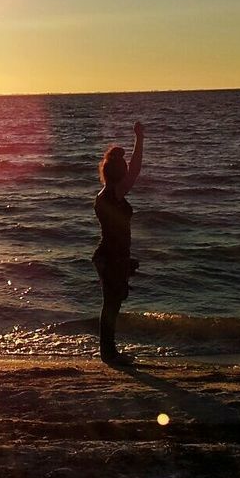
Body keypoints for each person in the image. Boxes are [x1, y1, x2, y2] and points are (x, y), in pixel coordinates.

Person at [92, 121, 144, 365]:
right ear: (118, 172)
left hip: (111, 255)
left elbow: (131, 171)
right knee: (112, 304)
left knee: (112, 303)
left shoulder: (105, 194)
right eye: (123, 168)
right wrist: (140, 139)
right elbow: (135, 170)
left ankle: (108, 351)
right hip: (112, 256)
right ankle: (109, 354)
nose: (127, 173)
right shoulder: (113, 194)